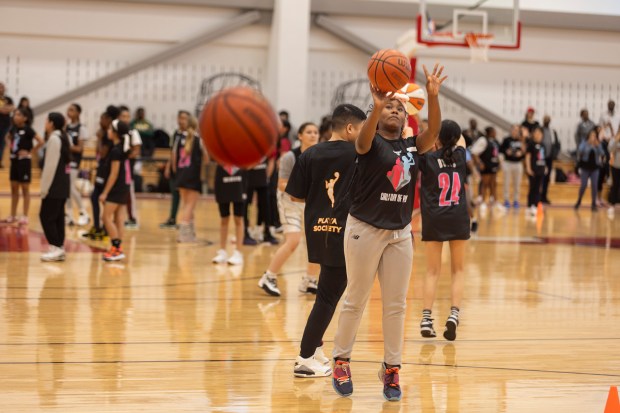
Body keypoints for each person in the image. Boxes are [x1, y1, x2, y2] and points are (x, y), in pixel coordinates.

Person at [331, 64, 446, 402]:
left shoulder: (412, 145)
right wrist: (378, 104)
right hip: (364, 229)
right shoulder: (369, 143)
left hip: (399, 233)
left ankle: (392, 368)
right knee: (356, 298)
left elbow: (434, 130)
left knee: (396, 305)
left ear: (407, 116)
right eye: (388, 108)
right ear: (378, 115)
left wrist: (434, 96)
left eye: (399, 107)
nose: (395, 111)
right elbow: (364, 138)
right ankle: (341, 360)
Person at [285, 104, 367, 378]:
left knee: (326, 291)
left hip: (317, 230)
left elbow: (295, 196)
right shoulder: (359, 154)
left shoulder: (311, 153)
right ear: (350, 128)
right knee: (328, 296)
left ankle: (315, 348)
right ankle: (305, 358)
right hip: (346, 231)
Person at [419, 120, 469, 342]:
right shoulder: (460, 157)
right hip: (457, 218)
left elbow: (414, 140)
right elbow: (461, 140)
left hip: (434, 218)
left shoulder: (427, 159)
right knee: (457, 270)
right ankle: (454, 314)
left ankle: (427, 319)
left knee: (432, 271)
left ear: (436, 139)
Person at [257, 123, 320, 297]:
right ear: (300, 136)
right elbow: (282, 184)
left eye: (316, 132)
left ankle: (310, 280)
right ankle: (268, 277)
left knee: (319, 241)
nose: (313, 135)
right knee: (293, 240)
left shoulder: (321, 156)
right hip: (289, 202)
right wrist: (306, 190)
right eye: (309, 132)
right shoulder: (290, 157)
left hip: (309, 202)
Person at [82, 106, 119, 240]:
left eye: (102, 119)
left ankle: (104, 228)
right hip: (101, 170)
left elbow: (102, 153)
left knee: (102, 201)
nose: (100, 121)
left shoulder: (107, 136)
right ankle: (97, 226)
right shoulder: (104, 133)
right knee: (94, 198)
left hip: (106, 172)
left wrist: (98, 139)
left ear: (108, 120)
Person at [2, 108, 44, 224]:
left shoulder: (28, 129)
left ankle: (25, 215)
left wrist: (30, 151)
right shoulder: (13, 129)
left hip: (24, 162)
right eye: (15, 115)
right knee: (14, 188)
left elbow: (40, 141)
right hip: (14, 161)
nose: (15, 117)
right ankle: (13, 215)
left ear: (25, 118)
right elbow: (7, 137)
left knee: (25, 189)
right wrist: (10, 146)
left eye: (18, 115)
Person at [39, 112, 71, 262]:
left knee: (46, 216)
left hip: (54, 185)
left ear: (51, 123)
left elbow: (50, 166)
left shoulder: (54, 139)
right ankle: (58, 247)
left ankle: (56, 246)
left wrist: (44, 189)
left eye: (46, 120)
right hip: (63, 185)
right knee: (57, 217)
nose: (45, 123)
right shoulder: (64, 137)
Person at [99, 119, 131, 261]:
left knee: (105, 217)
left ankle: (116, 249)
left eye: (111, 129)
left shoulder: (116, 150)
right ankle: (118, 249)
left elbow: (114, 173)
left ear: (116, 133)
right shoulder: (122, 148)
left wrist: (105, 192)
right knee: (119, 218)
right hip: (124, 186)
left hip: (117, 188)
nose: (108, 131)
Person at [173, 115, 208, 243]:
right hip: (192, 176)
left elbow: (174, 158)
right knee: (189, 206)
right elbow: (206, 159)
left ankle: (190, 233)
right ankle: (183, 234)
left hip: (181, 175)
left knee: (186, 206)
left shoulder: (179, 137)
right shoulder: (199, 139)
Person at [212, 164, 247, 265]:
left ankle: (238, 252)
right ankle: (222, 251)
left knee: (238, 218)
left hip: (239, 178)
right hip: (222, 177)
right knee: (224, 218)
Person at [160, 111, 190, 229]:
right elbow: (172, 152)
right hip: (174, 169)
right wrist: (169, 166)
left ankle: (186, 221)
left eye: (184, 118)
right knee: (175, 194)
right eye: (180, 118)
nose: (181, 121)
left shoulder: (190, 135)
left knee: (186, 197)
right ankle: (172, 218)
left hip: (184, 170)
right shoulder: (176, 134)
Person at [244, 157, 279, 245]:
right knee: (247, 205)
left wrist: (267, 176)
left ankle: (267, 232)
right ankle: (245, 232)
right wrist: (251, 163)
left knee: (265, 205)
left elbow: (271, 159)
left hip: (262, 176)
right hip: (248, 176)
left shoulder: (267, 145)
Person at [65, 103, 90, 226]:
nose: (69, 112)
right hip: (66, 161)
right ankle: (69, 215)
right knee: (67, 189)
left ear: (78, 113)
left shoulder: (81, 128)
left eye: (72, 110)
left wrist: (68, 146)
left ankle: (83, 212)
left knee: (70, 187)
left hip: (74, 161)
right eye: (68, 109)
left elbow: (79, 149)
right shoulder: (66, 127)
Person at [119, 106, 142, 229]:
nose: (125, 119)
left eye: (127, 116)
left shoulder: (133, 132)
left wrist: (125, 156)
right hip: (116, 167)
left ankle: (132, 218)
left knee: (129, 194)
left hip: (127, 167)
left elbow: (136, 150)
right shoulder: (115, 133)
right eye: (123, 116)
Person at [471, 126, 503, 213]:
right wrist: (479, 163)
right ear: (489, 132)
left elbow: (497, 154)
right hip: (486, 165)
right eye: (494, 131)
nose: (495, 133)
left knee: (493, 184)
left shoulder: (495, 141)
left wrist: (499, 163)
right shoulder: (483, 140)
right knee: (485, 184)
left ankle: (495, 202)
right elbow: (474, 152)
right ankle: (483, 202)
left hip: (494, 166)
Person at [575, 129, 605, 211]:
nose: (593, 137)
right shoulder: (584, 143)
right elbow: (580, 151)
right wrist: (588, 144)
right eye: (591, 135)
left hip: (595, 168)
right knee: (583, 185)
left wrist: (597, 146)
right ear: (588, 136)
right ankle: (579, 201)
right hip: (585, 168)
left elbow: (602, 153)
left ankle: (593, 204)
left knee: (594, 186)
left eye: (594, 135)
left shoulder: (598, 144)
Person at [500, 125, 525, 209]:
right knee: (506, 182)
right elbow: (501, 149)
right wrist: (506, 151)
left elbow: (524, 152)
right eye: (513, 129)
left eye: (517, 130)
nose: (515, 131)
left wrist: (521, 153)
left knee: (517, 183)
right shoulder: (506, 140)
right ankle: (506, 200)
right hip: (508, 163)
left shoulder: (521, 140)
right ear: (511, 130)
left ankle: (516, 200)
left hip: (518, 163)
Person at [525, 127, 547, 216]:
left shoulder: (543, 145)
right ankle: (530, 205)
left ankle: (537, 204)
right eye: (536, 133)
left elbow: (543, 158)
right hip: (533, 170)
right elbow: (528, 157)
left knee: (539, 188)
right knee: (532, 188)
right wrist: (528, 168)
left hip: (540, 170)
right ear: (533, 134)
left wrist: (545, 167)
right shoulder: (531, 144)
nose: (538, 135)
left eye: (539, 133)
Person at [541, 115, 559, 204]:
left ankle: (544, 196)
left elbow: (557, 144)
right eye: (545, 119)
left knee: (547, 177)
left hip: (549, 158)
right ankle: (538, 196)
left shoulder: (552, 131)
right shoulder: (540, 130)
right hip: (541, 158)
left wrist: (554, 155)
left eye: (548, 120)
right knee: (540, 177)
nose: (547, 121)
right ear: (543, 120)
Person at [0, 82, 15, 169]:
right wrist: (5, 108)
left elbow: (12, 108)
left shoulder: (8, 99)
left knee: (2, 144)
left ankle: (0, 161)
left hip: (6, 125)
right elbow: (3, 110)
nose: (1, 89)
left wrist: (4, 108)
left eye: (2, 87)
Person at [608, 130, 620, 217]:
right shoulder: (614, 139)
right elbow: (610, 149)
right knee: (615, 185)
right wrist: (616, 140)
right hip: (615, 166)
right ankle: (612, 205)